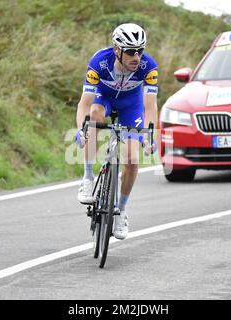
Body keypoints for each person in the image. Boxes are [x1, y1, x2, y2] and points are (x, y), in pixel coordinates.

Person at [74, 23, 158, 240]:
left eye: (140, 50)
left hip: (132, 105)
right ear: (116, 49)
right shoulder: (99, 62)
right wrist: (80, 129)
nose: (136, 56)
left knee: (131, 159)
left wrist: (150, 135)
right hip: (104, 98)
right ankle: (88, 178)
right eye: (130, 51)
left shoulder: (148, 67)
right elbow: (84, 102)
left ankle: (121, 210)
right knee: (94, 117)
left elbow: (150, 106)